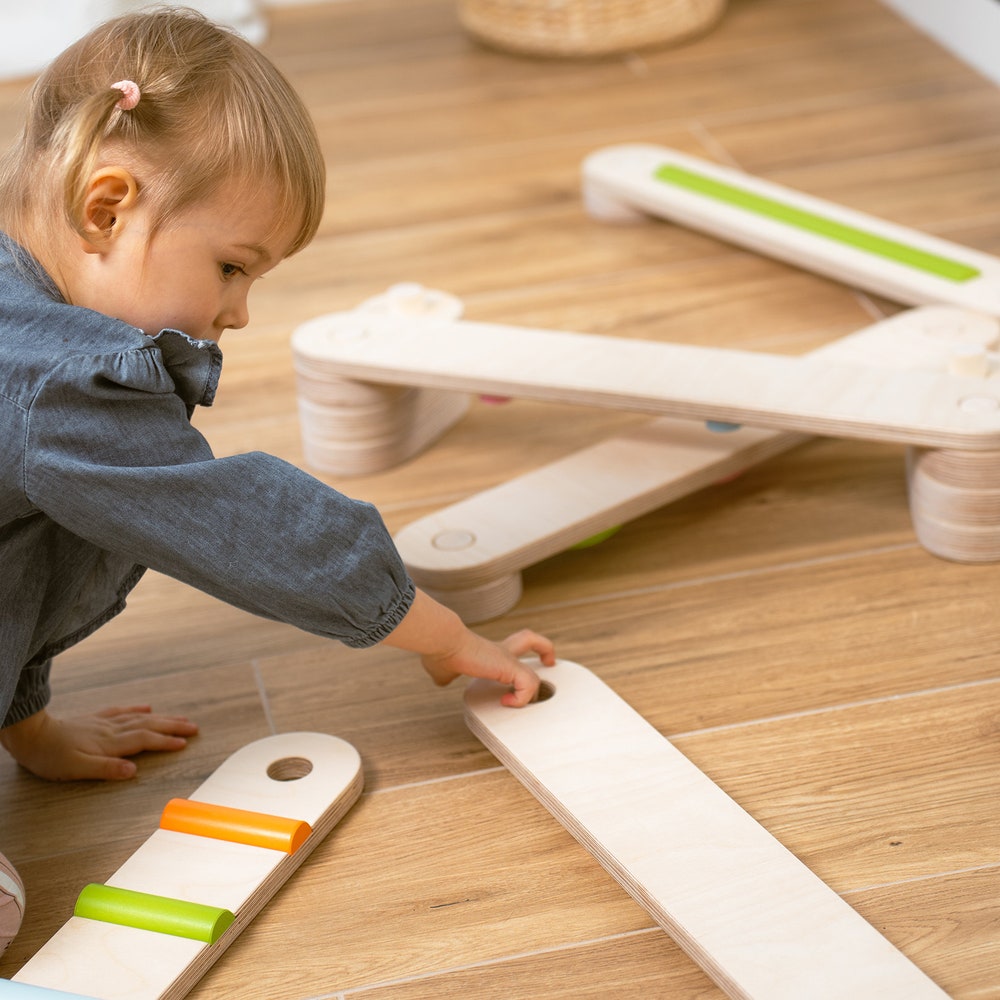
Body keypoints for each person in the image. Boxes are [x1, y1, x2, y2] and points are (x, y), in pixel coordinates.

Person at [0, 7, 555, 787]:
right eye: (232, 267)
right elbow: (242, 523)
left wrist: (29, 724)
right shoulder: (66, 386)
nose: (240, 313)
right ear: (105, 210)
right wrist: (438, 632)